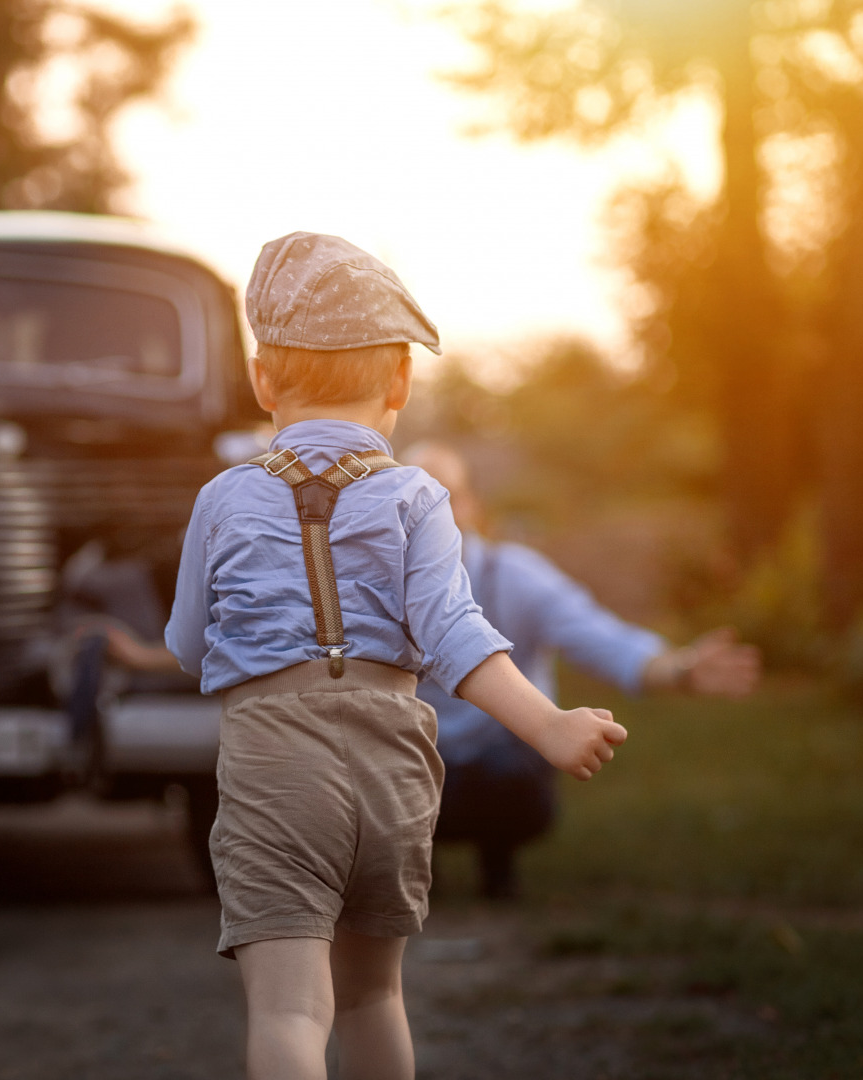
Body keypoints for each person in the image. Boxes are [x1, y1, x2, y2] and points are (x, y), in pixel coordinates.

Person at [162, 232, 627, 1080]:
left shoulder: (221, 498)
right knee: (374, 997)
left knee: (292, 1009)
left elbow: (187, 644)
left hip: (275, 763)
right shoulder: (419, 496)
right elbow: (456, 632)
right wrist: (549, 724)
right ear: (401, 383)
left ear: (263, 380)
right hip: (391, 761)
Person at [403, 442, 761, 900]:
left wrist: (681, 670)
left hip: (499, 758)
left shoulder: (514, 574)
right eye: (414, 499)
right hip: (412, 757)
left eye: (445, 496)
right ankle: (414, 856)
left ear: (472, 506)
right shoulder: (365, 584)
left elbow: (599, 638)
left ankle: (496, 855)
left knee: (508, 776)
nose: (430, 513)